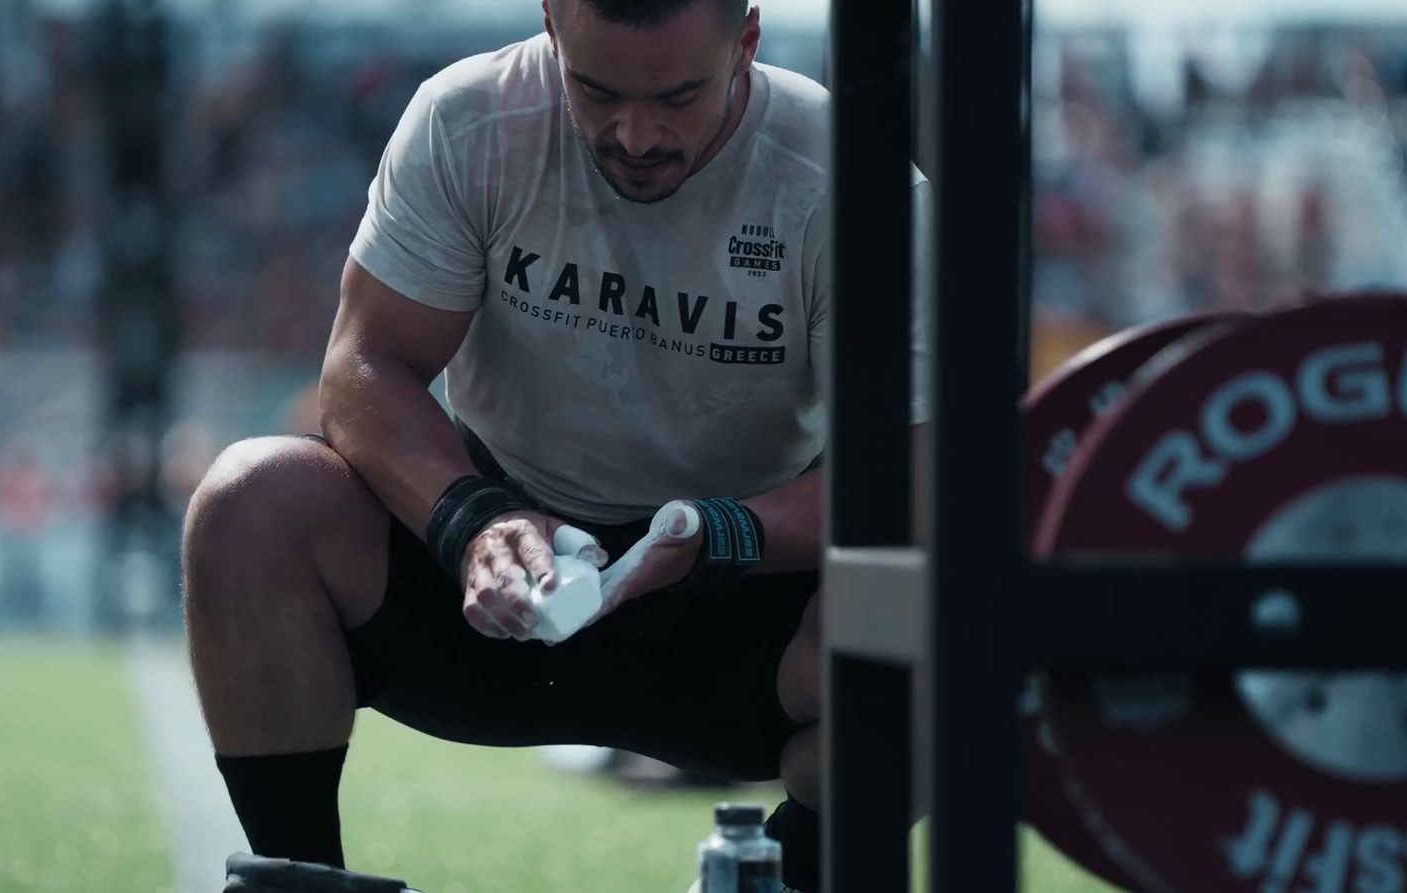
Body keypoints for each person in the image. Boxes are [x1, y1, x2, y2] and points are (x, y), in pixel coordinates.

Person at [183, 1, 931, 891]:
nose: (636, 132)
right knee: (251, 501)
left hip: (737, 596)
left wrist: (718, 534)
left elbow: (920, 475)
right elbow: (362, 367)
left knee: (940, 604)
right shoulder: (471, 117)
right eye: (596, 89)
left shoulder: (848, 176)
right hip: (497, 573)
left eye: (679, 96)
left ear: (748, 43)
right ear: (550, 25)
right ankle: (299, 877)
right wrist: (471, 520)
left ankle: (793, 871)